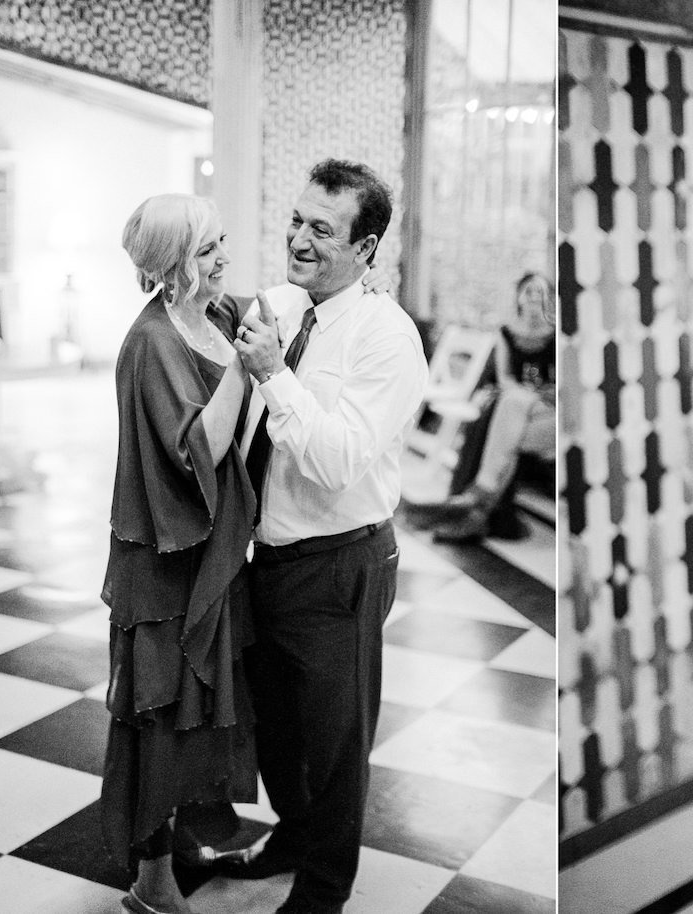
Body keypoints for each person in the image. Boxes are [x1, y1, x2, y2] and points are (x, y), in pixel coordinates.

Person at [216, 159, 428, 914]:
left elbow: (337, 462)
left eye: (322, 229)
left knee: (335, 742)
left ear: (367, 247)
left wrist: (274, 372)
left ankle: (323, 888)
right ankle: (293, 834)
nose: (299, 240)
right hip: (263, 556)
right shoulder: (276, 302)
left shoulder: (387, 339)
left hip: (341, 563)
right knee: (271, 724)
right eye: (297, 220)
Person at [103, 193, 259, 914]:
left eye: (221, 241)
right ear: (170, 267)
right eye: (205, 251)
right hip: (165, 557)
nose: (222, 258)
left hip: (212, 551)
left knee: (200, 710)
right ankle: (150, 878)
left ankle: (183, 836)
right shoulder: (152, 343)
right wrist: (244, 373)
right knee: (160, 717)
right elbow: (201, 449)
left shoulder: (217, 314)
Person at [431, 271, 556, 542]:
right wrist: (526, 394)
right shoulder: (507, 332)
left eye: (541, 292)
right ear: (520, 296)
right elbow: (506, 379)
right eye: (529, 291)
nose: (534, 298)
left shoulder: (557, 331)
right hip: (519, 403)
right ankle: (480, 512)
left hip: (547, 408)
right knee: (511, 410)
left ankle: (479, 495)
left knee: (508, 422)